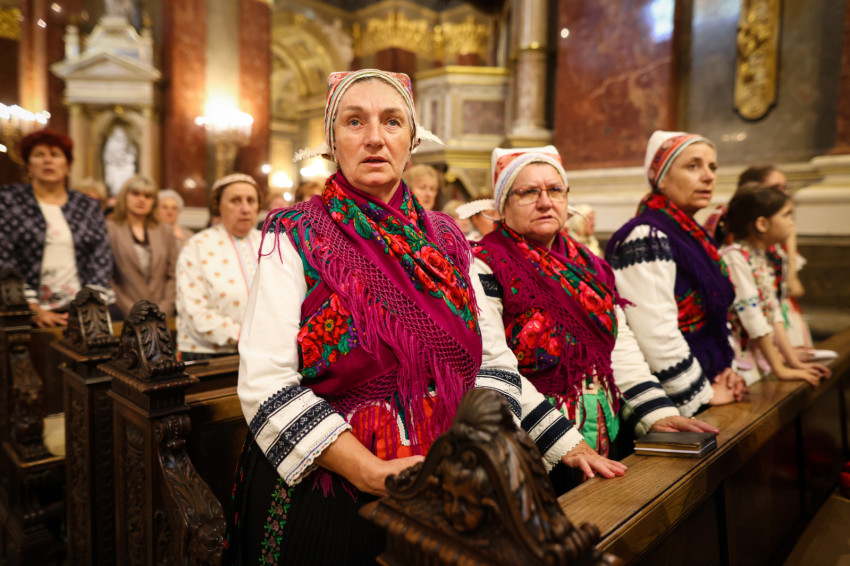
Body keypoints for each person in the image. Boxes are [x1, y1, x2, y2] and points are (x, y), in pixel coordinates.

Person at [226, 69, 622, 565]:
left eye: (392, 122)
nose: (375, 137)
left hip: (448, 484)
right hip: (335, 490)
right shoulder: (294, 233)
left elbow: (494, 363)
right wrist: (369, 471)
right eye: (354, 121)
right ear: (331, 143)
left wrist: (522, 448)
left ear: (411, 143)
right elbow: (265, 381)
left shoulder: (448, 238)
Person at [472, 146, 716, 490]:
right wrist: (564, 443)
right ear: (502, 204)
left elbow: (619, 346)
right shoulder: (482, 264)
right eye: (528, 192)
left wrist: (657, 413)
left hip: (606, 431)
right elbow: (493, 361)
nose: (545, 202)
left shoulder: (589, 264)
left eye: (555, 190)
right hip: (534, 444)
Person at [606, 131, 747, 417]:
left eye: (712, 167)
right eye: (693, 166)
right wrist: (702, 394)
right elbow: (654, 332)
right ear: (660, 178)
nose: (708, 176)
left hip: (713, 377)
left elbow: (717, 315)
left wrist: (728, 371)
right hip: (671, 400)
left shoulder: (693, 235)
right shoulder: (645, 236)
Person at [715, 184, 830, 386]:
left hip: (760, 356)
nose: (791, 222)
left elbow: (773, 312)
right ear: (762, 224)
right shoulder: (734, 257)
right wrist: (780, 369)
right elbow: (752, 317)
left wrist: (793, 362)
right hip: (738, 361)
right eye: (786, 215)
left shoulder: (759, 256)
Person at [0, 129, 112, 327]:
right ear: (29, 165)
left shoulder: (86, 205)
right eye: (39, 155)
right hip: (21, 311)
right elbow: (4, 256)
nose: (47, 161)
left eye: (55, 155)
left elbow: (100, 256)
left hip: (81, 311)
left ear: (68, 165)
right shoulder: (9, 200)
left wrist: (90, 305)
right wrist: (30, 307)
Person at [175, 173, 262, 360]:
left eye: (251, 200)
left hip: (264, 352)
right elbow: (194, 310)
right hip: (210, 355)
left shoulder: (270, 243)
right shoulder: (197, 245)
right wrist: (245, 337)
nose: (245, 208)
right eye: (235, 201)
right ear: (218, 206)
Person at [737, 165, 812, 349]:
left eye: (785, 187)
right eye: (776, 188)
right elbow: (789, 289)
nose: (784, 194)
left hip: (781, 320)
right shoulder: (739, 254)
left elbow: (794, 290)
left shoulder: (773, 247)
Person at [107, 175, 178, 318]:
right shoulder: (110, 229)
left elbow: (173, 274)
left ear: (154, 202)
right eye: (135, 194)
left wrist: (163, 309)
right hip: (124, 313)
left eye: (148, 196)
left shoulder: (165, 230)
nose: (141, 200)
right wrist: (132, 310)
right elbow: (108, 277)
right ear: (124, 197)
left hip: (162, 313)